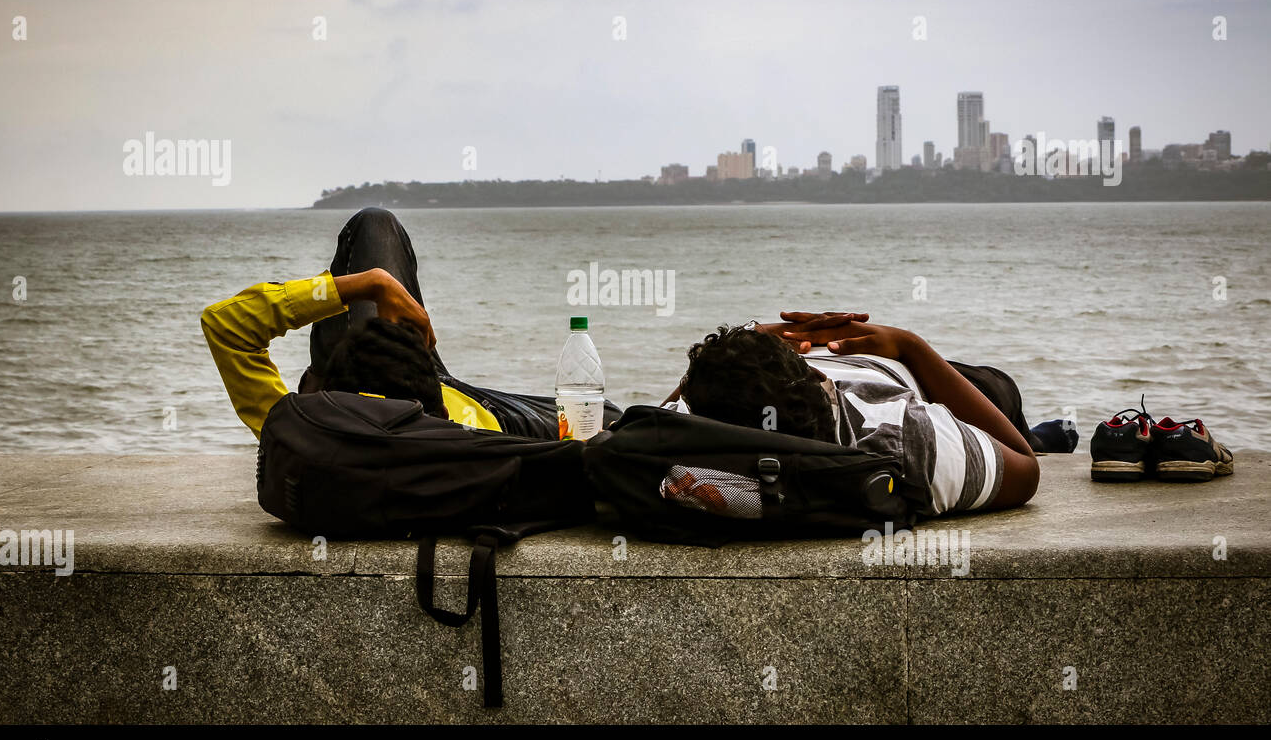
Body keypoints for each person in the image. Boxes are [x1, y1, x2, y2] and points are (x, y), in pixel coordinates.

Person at [201, 207, 621, 441]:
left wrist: (370, 285)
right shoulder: (471, 447)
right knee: (614, 420)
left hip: (415, 391)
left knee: (374, 225)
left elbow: (226, 326)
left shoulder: (300, 435)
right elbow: (225, 326)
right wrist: (372, 284)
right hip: (462, 412)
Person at [663, 313, 1042, 516]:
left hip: (861, 370)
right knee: (999, 388)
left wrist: (761, 335)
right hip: (904, 377)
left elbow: (668, 404)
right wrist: (910, 346)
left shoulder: (681, 447)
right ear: (818, 374)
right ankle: (1048, 436)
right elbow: (1024, 466)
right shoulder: (909, 437)